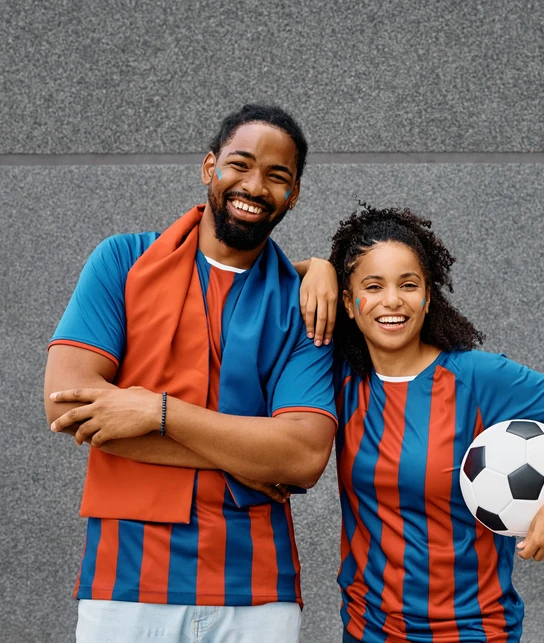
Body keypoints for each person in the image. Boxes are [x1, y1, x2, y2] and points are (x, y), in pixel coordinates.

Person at [44, 104, 340, 642]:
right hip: (125, 585)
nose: (254, 185)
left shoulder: (305, 303)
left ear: (293, 195)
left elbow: (302, 456)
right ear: (210, 168)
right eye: (240, 164)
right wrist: (240, 457)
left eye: (277, 176)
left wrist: (153, 411)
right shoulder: (122, 261)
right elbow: (68, 405)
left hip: (256, 593)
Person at [327, 204, 544, 643]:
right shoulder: (342, 380)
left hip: (471, 631)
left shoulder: (475, 377)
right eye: (373, 286)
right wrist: (314, 270)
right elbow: (265, 283)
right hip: (368, 630)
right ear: (349, 302)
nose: (392, 300)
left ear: (428, 297)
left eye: (409, 285)